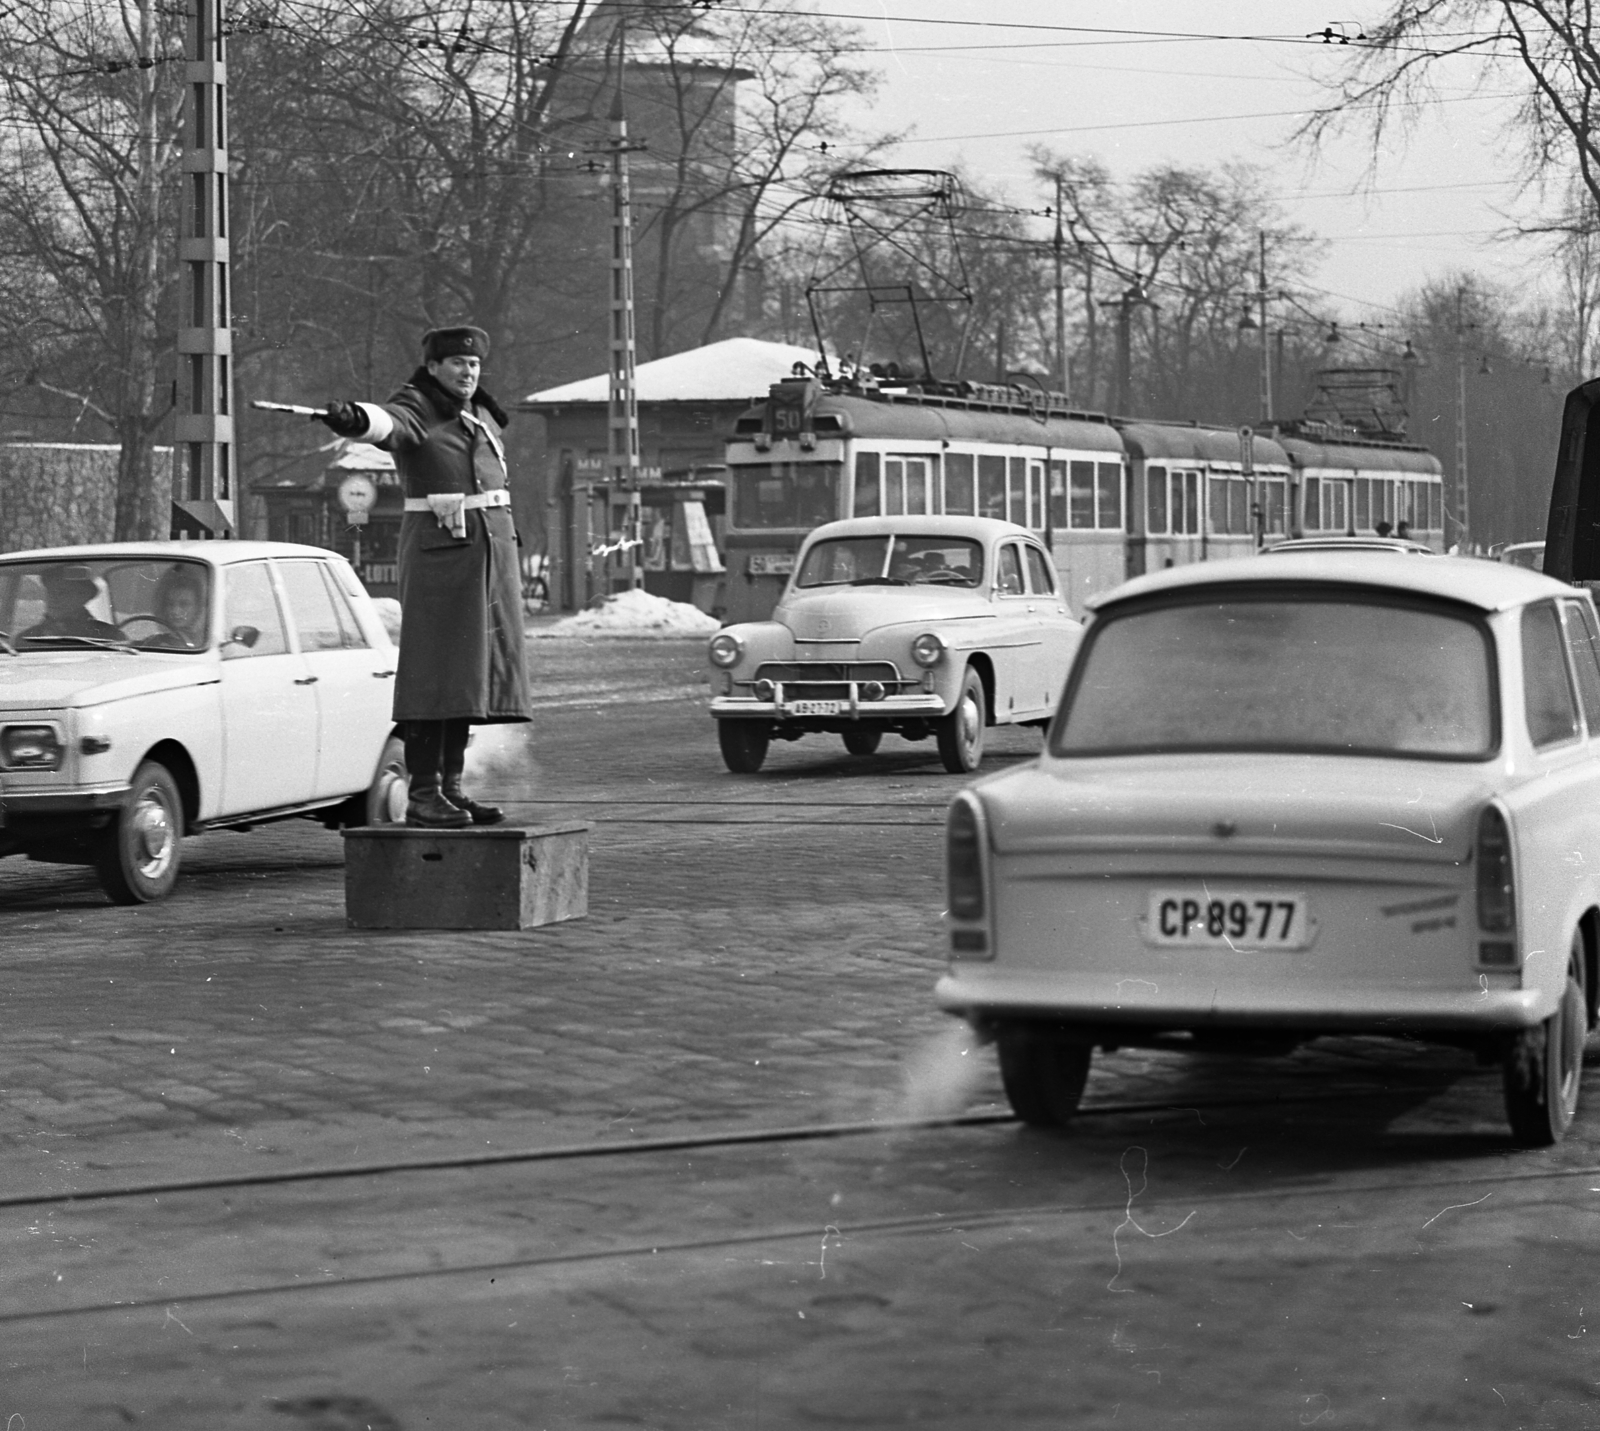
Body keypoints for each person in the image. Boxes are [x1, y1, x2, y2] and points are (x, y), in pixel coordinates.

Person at [318, 326, 530, 828]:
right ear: (433, 367)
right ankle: (424, 793)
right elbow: (389, 424)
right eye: (456, 363)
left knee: (468, 683)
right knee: (435, 680)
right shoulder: (418, 404)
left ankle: (452, 791)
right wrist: (354, 418)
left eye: (474, 364)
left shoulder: (476, 413)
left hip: (486, 564)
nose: (467, 372)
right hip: (442, 565)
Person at [22, 565, 122, 642]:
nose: (54, 598)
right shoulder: (26, 638)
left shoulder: (108, 636)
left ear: (83, 596)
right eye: (50, 591)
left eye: (63, 592)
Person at [152, 566, 208, 648]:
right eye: (170, 604)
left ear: (197, 608)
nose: (175, 611)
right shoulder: (154, 641)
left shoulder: (205, 644)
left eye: (184, 604)